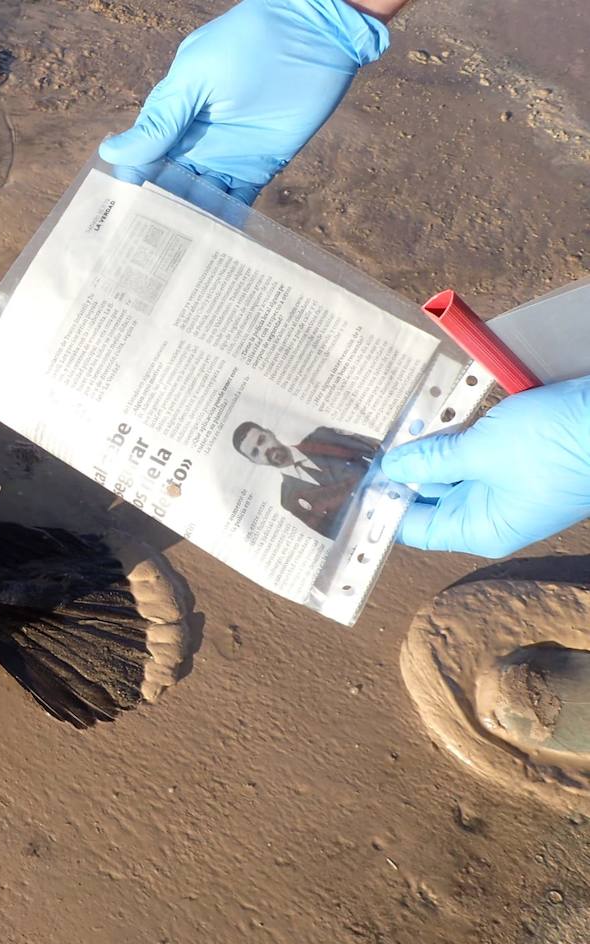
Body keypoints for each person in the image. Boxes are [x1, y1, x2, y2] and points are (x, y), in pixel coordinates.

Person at [98, 0, 590, 560]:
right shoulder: (295, 483)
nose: (267, 448)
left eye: (259, 440)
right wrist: (326, 16)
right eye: (261, 447)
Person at [232, 421, 379, 539]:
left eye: (262, 440)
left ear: (270, 433)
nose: (265, 450)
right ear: (254, 462)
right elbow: (336, 535)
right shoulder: (289, 500)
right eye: (255, 452)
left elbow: (375, 449)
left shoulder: (321, 437)